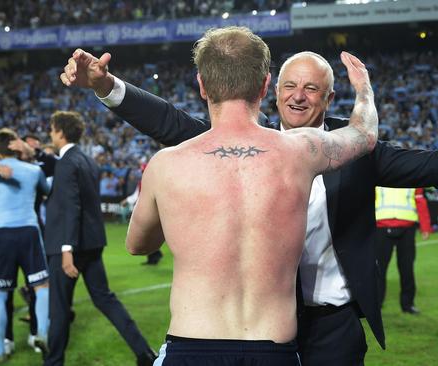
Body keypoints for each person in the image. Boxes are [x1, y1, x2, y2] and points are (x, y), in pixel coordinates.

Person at [61, 47, 438, 366]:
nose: (298, 96)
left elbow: (437, 166)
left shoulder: (355, 152)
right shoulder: (238, 146)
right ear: (270, 92)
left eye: (312, 88)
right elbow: (169, 123)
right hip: (259, 330)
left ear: (329, 99)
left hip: (331, 326)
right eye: (289, 85)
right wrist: (106, 85)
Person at [126, 26, 378, 365]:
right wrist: (363, 90)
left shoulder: (165, 165)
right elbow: (364, 133)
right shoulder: (302, 151)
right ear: (264, 85)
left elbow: (137, 245)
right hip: (273, 348)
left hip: (193, 344)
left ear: (201, 85)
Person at [43, 111, 156, 366]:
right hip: (92, 243)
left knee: (59, 309)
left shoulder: (66, 163)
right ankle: (144, 353)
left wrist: (66, 248)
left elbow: (71, 207)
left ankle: (53, 362)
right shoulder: (88, 161)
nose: (50, 133)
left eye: (52, 129)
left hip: (68, 246)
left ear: (60, 132)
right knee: (105, 299)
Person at [0, 128, 51, 362]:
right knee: (42, 288)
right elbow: (47, 191)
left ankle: (0, 350)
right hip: (29, 232)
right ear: (13, 145)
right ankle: (41, 334)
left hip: (2, 235)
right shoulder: (33, 171)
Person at [374, 187, 431, 314]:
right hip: (381, 227)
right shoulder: (378, 173)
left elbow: (420, 200)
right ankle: (376, 303)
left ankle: (408, 304)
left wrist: (425, 226)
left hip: (407, 228)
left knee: (407, 268)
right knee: (379, 269)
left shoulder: (413, 175)